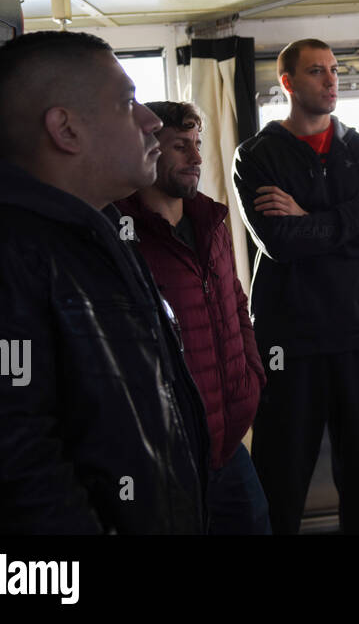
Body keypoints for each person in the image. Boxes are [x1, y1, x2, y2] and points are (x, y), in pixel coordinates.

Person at [0, 30, 208, 533]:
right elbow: (9, 467)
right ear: (66, 130)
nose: (151, 121)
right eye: (128, 102)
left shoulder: (87, 234)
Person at [232, 39, 359, 534]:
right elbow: (281, 243)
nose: (331, 81)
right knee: (280, 485)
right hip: (292, 343)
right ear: (288, 82)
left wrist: (311, 218)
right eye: (316, 72)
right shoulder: (257, 156)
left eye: (334, 70)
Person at [117, 101, 270, 534]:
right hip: (166, 453)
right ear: (148, 149)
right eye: (181, 146)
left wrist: (252, 378)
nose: (197, 158)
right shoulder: (120, 230)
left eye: (198, 144)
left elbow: (235, 302)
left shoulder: (212, 220)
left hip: (228, 443)